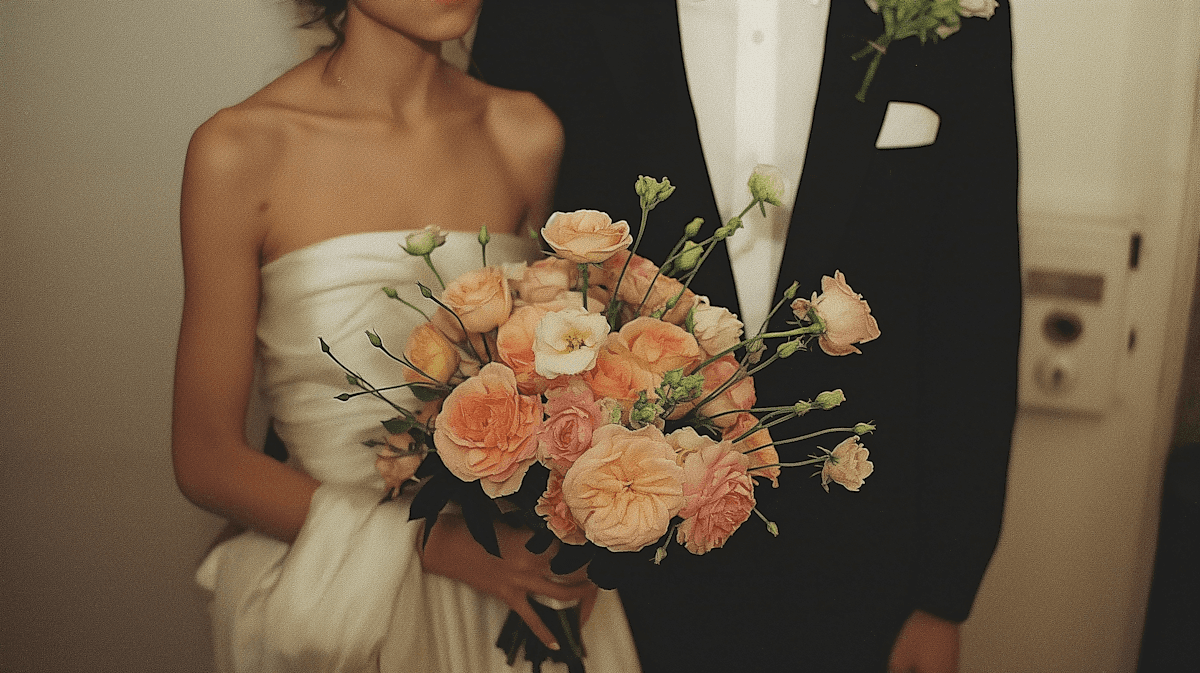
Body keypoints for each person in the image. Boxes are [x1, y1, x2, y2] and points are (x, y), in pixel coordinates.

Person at [470, 1, 1020, 671]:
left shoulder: (960, 13)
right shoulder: (540, 14)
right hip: (608, 566)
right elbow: (497, 270)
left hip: (861, 563)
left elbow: (974, 312)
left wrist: (944, 594)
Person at [171, 1, 642, 670]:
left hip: (518, 594)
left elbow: (547, 368)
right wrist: (448, 547)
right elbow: (206, 456)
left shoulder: (523, 133)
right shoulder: (243, 149)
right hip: (345, 595)